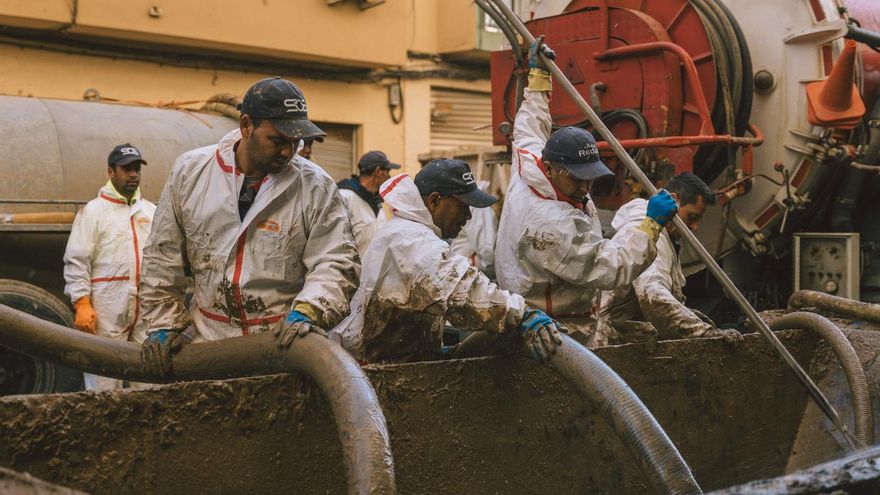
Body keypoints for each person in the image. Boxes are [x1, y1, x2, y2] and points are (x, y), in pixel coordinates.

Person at [133, 77, 361, 376]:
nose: (288, 152)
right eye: (278, 140)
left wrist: (310, 309)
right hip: (209, 344)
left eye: (295, 142)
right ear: (245, 126)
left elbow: (336, 260)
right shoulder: (191, 172)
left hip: (283, 345)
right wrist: (163, 321)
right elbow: (162, 256)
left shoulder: (315, 186)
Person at [494, 37, 679, 347]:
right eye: (577, 179)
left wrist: (539, 78)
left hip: (551, 308)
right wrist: (650, 226)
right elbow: (613, 267)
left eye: (590, 178)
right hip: (554, 331)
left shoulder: (531, 162)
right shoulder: (550, 227)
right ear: (551, 169)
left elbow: (530, 125)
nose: (584, 188)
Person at [331, 159, 562, 364]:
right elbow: (463, 293)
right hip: (370, 368)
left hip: (395, 358)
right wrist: (520, 313)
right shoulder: (412, 240)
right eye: (463, 206)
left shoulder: (412, 231)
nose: (469, 216)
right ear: (434, 200)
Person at [597, 173, 744, 344]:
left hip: (624, 342)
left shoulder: (661, 235)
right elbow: (653, 296)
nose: (695, 227)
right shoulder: (650, 236)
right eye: (693, 217)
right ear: (674, 200)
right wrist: (703, 332)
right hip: (612, 347)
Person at [63, 143, 156, 390]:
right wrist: (81, 303)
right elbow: (77, 259)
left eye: (136, 168)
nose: (133, 174)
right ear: (111, 172)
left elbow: (162, 261)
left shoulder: (150, 211)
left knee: (148, 383)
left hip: (144, 312)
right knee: (102, 382)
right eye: (126, 169)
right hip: (106, 312)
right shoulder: (94, 211)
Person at [337, 151, 401, 253]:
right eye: (387, 171)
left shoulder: (377, 202)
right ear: (378, 172)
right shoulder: (345, 197)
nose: (389, 177)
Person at [450, 180, 498, 278]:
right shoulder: (477, 206)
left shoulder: (476, 205)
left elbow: (487, 250)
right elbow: (487, 250)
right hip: (469, 272)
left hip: (468, 270)